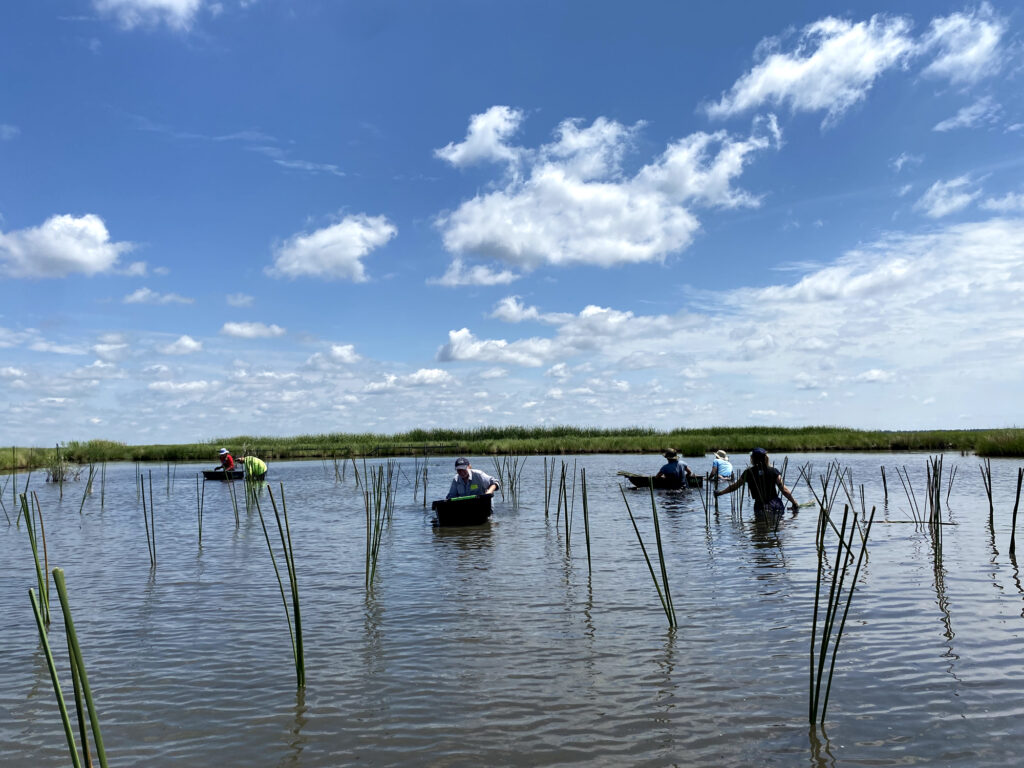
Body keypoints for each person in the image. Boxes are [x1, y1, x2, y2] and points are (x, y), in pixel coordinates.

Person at [714, 447, 798, 515]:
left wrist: (720, 493)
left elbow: (734, 486)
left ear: (752, 459)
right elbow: (784, 490)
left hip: (760, 506)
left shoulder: (749, 473)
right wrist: (794, 503)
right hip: (775, 505)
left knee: (759, 530)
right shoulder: (773, 471)